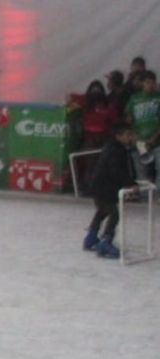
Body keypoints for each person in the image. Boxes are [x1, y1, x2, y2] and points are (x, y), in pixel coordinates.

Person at [83, 122, 139, 258]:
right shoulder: (117, 150)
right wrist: (130, 183)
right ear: (118, 136)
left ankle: (91, 237)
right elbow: (117, 170)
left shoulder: (112, 147)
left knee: (102, 211)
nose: (130, 137)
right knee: (114, 213)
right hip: (104, 187)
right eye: (128, 135)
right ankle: (105, 241)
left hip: (98, 186)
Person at [69, 80, 119, 195]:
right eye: (93, 90)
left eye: (98, 90)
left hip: (104, 138)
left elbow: (114, 122)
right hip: (89, 137)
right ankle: (89, 188)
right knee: (90, 164)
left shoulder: (108, 106)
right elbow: (70, 97)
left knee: (103, 164)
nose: (96, 92)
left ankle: (103, 188)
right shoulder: (86, 103)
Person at [124, 70, 160, 183]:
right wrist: (136, 138)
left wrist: (153, 139)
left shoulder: (158, 97)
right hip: (139, 141)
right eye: (148, 82)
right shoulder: (134, 99)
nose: (151, 85)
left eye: (153, 82)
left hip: (157, 141)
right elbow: (128, 119)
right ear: (142, 83)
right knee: (142, 173)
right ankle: (145, 198)